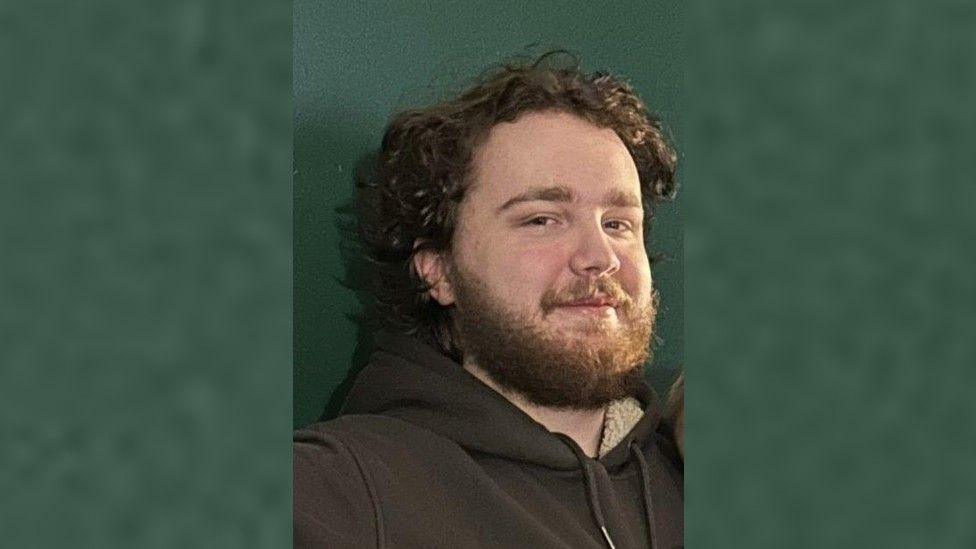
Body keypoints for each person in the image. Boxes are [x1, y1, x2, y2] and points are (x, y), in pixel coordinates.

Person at [294, 54, 683, 549]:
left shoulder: (688, 474)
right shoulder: (336, 494)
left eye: (618, 224)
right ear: (437, 269)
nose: (599, 257)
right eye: (542, 219)